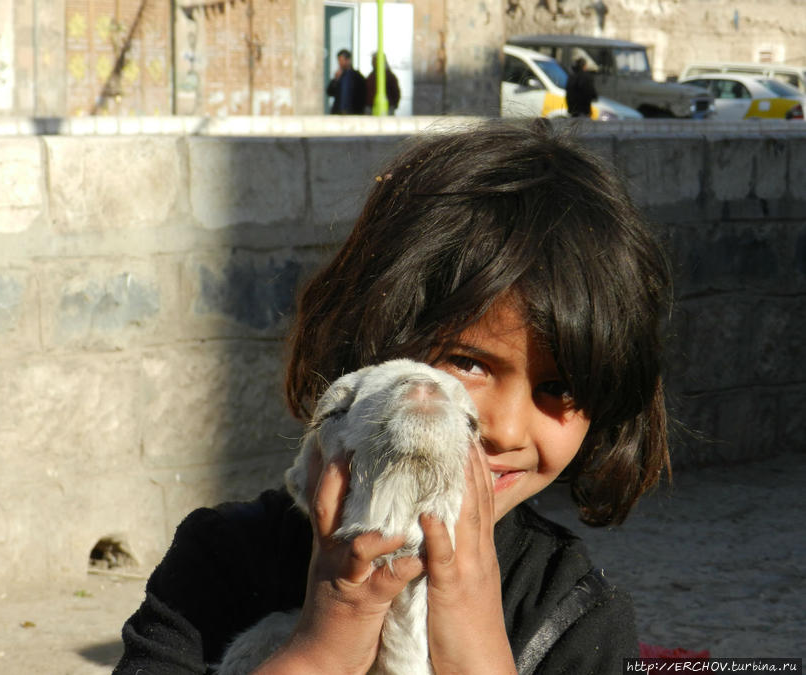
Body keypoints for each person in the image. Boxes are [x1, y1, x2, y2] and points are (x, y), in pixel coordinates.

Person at [114, 120, 672, 674]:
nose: (503, 427)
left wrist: (476, 647)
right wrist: (329, 634)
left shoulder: (572, 612)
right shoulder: (221, 560)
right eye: (467, 363)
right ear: (372, 340)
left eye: (559, 388)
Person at [326, 48, 366, 115]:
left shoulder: (357, 76)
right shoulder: (339, 76)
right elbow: (329, 92)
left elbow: (362, 95)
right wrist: (335, 80)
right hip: (338, 112)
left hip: (353, 112)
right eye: (339, 61)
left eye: (342, 60)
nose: (340, 63)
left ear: (348, 60)